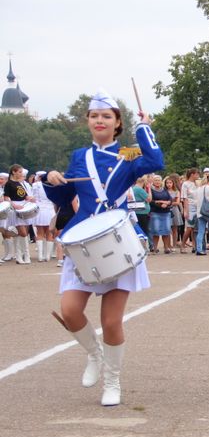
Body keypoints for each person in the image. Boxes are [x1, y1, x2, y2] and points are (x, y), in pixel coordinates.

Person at [44, 90, 164, 406]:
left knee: (111, 321)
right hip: (83, 238)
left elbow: (156, 161)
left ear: (117, 122)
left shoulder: (128, 154)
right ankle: (94, 354)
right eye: (95, 116)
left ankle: (113, 382)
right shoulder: (78, 157)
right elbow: (62, 199)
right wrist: (52, 181)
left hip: (117, 238)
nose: (100, 121)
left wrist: (144, 128)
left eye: (106, 116)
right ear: (88, 121)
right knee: (70, 312)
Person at [4, 164, 36, 264]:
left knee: (21, 233)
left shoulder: (19, 183)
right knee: (23, 232)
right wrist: (14, 205)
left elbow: (24, 196)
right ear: (14, 172)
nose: (21, 174)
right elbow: (6, 197)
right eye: (19, 172)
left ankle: (21, 256)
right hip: (15, 208)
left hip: (23, 207)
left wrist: (30, 198)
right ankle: (24, 255)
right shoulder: (9, 184)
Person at [31, 171, 55, 262]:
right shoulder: (52, 185)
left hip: (40, 209)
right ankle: (48, 256)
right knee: (49, 233)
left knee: (40, 233)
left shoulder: (35, 185)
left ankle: (40, 256)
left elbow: (32, 197)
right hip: (50, 210)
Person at [148, 175, 173, 254]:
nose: (157, 182)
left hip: (166, 212)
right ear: (153, 181)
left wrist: (167, 203)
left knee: (167, 230)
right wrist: (161, 202)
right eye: (156, 180)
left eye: (159, 180)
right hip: (155, 212)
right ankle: (155, 248)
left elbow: (170, 199)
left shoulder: (164, 189)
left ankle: (166, 248)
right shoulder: (150, 190)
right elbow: (151, 201)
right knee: (156, 230)